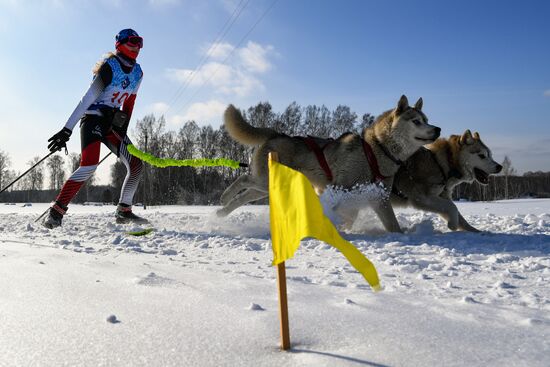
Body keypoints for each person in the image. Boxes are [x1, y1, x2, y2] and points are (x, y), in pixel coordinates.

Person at [44, 29, 147, 229]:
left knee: (136, 164)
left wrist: (123, 126)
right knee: (89, 165)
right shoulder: (110, 68)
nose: (137, 46)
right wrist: (67, 129)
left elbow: (130, 103)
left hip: (111, 124)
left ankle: (124, 211)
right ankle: (57, 211)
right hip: (93, 120)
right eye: (133, 42)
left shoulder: (138, 73)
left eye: (140, 43)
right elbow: (87, 99)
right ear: (121, 44)